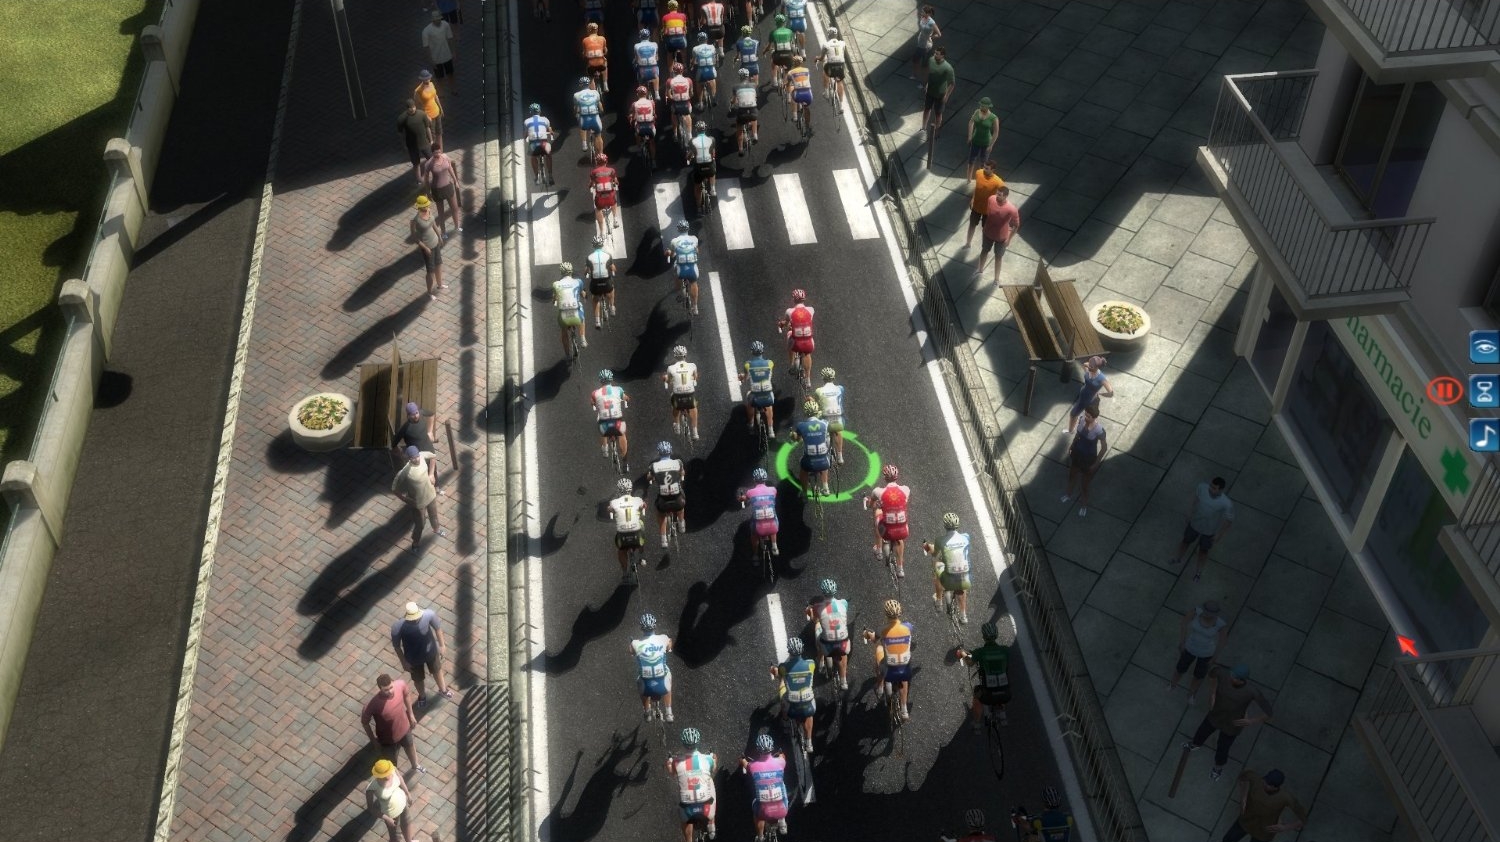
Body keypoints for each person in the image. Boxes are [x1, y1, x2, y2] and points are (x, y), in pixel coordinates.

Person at [1183, 663, 1273, 780]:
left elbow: (1269, 712)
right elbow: (1212, 674)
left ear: (1241, 680)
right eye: (1231, 674)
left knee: (1223, 748)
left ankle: (1218, 768)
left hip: (1232, 724)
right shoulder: (1223, 674)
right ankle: (1195, 744)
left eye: (1234, 677)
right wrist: (1213, 692)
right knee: (1201, 732)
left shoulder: (1252, 691)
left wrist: (1252, 721)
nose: (1231, 677)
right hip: (1216, 713)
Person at [1169, 477, 1235, 584]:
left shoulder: (1226, 503)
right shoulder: (1202, 487)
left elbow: (1229, 521)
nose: (1210, 489)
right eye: (1211, 486)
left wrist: (1219, 535)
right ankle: (1177, 558)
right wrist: (1190, 512)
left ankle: (1198, 573)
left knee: (1203, 551)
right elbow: (1195, 499)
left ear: (1221, 490)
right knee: (1185, 541)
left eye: (1214, 488)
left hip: (1209, 531)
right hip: (1194, 524)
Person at [390, 601, 454, 707]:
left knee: (437, 670)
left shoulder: (429, 614)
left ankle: (443, 690)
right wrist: (404, 662)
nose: (415, 619)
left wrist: (442, 645)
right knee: (418, 679)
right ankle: (422, 696)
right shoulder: (397, 627)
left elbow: (438, 629)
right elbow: (397, 647)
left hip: (431, 652)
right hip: (413, 658)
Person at [361, 674, 425, 775]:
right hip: (387, 739)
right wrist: (374, 741)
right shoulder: (372, 705)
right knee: (391, 763)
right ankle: (395, 778)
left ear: (393, 682)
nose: (390, 691)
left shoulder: (400, 685)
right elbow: (365, 723)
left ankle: (415, 765)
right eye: (386, 690)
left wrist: (411, 714)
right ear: (380, 689)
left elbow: (406, 695)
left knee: (410, 746)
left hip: (404, 728)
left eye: (391, 687)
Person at [862, 599, 913, 720]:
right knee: (904, 680)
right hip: (905, 667)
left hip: (889, 667)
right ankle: (904, 709)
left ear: (886, 614)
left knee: (879, 650)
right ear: (900, 612)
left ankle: (880, 686)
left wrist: (866, 633)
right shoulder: (908, 627)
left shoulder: (882, 629)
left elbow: (874, 639)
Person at [955, 618, 1010, 729]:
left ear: (984, 637)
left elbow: (970, 662)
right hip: (1007, 694)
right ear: (997, 635)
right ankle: (1002, 713)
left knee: (977, 695)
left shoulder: (981, 652)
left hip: (987, 695)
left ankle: (976, 722)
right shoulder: (1005, 650)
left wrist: (962, 653)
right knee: (1002, 686)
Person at [666, 728, 719, 842]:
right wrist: (714, 758)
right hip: (706, 807)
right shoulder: (707, 759)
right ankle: (712, 826)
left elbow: (672, 772)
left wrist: (669, 762)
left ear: (683, 744)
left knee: (685, 819)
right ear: (698, 743)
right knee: (710, 781)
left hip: (687, 809)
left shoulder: (676, 762)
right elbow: (713, 768)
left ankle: (688, 840)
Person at [1225, 769, 1306, 842]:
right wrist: (1244, 795)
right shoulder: (1257, 780)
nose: (1263, 783)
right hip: (1246, 820)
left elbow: (1303, 817)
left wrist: (1285, 827)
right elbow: (1243, 776)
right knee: (1227, 840)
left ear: (1274, 787)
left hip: (1264, 832)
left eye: (1267, 784)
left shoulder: (1285, 797)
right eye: (1265, 780)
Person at [1170, 600, 1228, 700]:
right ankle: (1172, 685)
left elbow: (1222, 642)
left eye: (1209, 613)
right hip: (1190, 647)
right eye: (1205, 611)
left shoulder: (1220, 624)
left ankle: (1191, 694)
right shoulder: (1196, 612)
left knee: (1199, 675)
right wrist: (1182, 642)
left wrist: (1214, 658)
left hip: (1206, 653)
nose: (1206, 614)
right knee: (1180, 669)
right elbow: (1183, 623)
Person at [392, 446, 446, 549]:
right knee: (420, 524)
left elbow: (433, 456)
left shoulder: (422, 455)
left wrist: (431, 474)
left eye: (417, 456)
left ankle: (436, 529)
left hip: (430, 494)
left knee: (434, 515)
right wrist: (405, 499)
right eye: (413, 458)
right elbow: (394, 488)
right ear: (409, 458)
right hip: (418, 502)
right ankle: (415, 542)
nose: (417, 459)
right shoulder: (406, 471)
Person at [924, 511, 972, 624]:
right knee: (962, 588)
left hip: (949, 579)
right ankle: (963, 615)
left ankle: (939, 601)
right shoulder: (966, 537)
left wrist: (927, 546)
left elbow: (935, 553)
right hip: (966, 579)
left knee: (937, 565)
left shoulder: (940, 540)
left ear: (944, 525)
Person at [739, 733, 789, 841]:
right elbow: (783, 757)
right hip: (783, 810)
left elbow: (745, 764)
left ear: (758, 749)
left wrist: (742, 759)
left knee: (757, 808)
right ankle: (782, 821)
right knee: (782, 785)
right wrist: (781, 754)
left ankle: (760, 836)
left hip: (763, 813)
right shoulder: (781, 762)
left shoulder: (753, 766)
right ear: (772, 748)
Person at [770, 638, 816, 752]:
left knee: (782, 691)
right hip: (807, 702)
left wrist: (773, 669)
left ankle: (785, 722)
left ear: (789, 651)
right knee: (809, 715)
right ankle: (809, 742)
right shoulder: (811, 664)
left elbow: (779, 674)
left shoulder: (783, 667)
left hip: (792, 704)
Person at [1060, 406, 1106, 517]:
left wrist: (1096, 463)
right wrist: (1072, 445)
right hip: (1077, 454)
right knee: (1072, 476)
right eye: (1086, 414)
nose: (1086, 417)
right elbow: (1078, 435)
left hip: (1088, 459)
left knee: (1084, 485)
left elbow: (1104, 448)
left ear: (1094, 417)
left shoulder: (1099, 430)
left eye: (1088, 416)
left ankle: (1084, 506)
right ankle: (1068, 494)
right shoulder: (1081, 420)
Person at [806, 578, 850, 690]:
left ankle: (821, 662)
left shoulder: (817, 607)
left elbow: (814, 619)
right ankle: (844, 681)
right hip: (843, 643)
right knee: (844, 654)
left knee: (818, 628)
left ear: (823, 592)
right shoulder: (844, 603)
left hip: (827, 645)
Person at [867, 464, 911, 577]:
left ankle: (879, 549)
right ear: (897, 477)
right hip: (903, 530)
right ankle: (900, 568)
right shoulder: (906, 489)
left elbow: (871, 505)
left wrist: (873, 504)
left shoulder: (878, 492)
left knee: (877, 513)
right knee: (899, 539)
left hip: (887, 531)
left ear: (884, 478)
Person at [631, 613, 675, 720]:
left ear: (641, 628)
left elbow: (631, 651)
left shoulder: (635, 643)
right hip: (663, 685)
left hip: (646, 687)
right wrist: (667, 649)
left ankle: (647, 713)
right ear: (655, 626)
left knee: (639, 680)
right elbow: (670, 645)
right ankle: (669, 713)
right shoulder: (663, 638)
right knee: (668, 674)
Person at [788, 399, 832, 497]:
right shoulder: (825, 423)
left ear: (805, 412)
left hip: (809, 462)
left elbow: (797, 439)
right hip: (824, 461)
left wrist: (792, 435)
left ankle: (804, 492)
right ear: (817, 411)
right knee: (825, 458)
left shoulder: (801, 425)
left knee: (803, 470)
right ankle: (826, 488)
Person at [977, 184, 1020, 282]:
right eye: (997, 193)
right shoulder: (991, 199)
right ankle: (979, 270)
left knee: (998, 257)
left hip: (1001, 237)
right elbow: (988, 212)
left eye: (1000, 195)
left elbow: (1016, 225)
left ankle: (996, 279)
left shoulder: (1011, 209)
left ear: (1005, 196)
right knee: (984, 251)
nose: (997, 196)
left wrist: (1009, 239)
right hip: (988, 233)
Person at [648, 441, 687, 548]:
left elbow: (649, 478)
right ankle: (681, 523)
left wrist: (653, 478)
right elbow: (682, 473)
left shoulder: (654, 466)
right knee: (681, 502)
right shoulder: (678, 462)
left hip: (663, 501)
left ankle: (663, 539)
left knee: (661, 514)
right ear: (670, 451)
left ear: (659, 452)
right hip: (677, 500)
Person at [393, 401, 440, 490]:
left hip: (428, 448)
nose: (415, 416)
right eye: (412, 414)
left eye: (416, 413)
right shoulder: (405, 428)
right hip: (416, 454)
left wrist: (430, 432)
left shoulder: (421, 413)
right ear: (408, 415)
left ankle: (436, 488)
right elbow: (394, 444)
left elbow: (431, 414)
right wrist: (401, 454)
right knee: (419, 474)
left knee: (433, 470)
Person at [366, 759, 415, 842]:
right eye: (384, 775)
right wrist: (387, 819)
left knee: (406, 821)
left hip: (403, 803)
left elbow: (400, 779)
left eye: (388, 773)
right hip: (391, 814)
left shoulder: (393, 770)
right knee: (395, 837)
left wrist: (407, 793)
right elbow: (371, 808)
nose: (388, 776)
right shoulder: (372, 787)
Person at [592, 369, 631, 470]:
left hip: (604, 423)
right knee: (622, 435)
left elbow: (593, 402)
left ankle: (605, 449)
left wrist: (595, 404)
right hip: (617, 421)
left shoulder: (595, 393)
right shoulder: (618, 389)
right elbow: (626, 398)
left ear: (600, 381)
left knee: (601, 425)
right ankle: (625, 462)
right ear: (611, 379)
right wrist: (627, 400)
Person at [609, 477, 648, 578]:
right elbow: (643, 506)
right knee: (641, 526)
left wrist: (610, 510)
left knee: (621, 551)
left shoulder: (614, 502)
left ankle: (624, 572)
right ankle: (642, 556)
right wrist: (643, 507)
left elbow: (610, 509)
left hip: (622, 535)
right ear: (631, 489)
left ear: (619, 490)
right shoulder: (638, 500)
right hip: (636, 533)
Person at [1064, 355, 1113, 436]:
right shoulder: (1089, 369)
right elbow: (1084, 364)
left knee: (1074, 414)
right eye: (1089, 365)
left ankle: (1072, 430)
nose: (1089, 367)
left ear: (1097, 367)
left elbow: (1111, 393)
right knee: (1086, 415)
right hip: (1083, 395)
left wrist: (1100, 394)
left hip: (1089, 399)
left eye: (1091, 367)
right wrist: (1087, 367)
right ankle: (1073, 430)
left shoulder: (1102, 378)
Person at [422, 141, 461, 237]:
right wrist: (428, 192)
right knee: (441, 213)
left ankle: (457, 227)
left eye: (439, 152)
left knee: (455, 208)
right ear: (432, 153)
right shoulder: (429, 164)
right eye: (436, 153)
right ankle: (443, 232)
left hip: (448, 186)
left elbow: (450, 168)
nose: (438, 154)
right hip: (437, 190)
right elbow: (426, 180)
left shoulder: (445, 157)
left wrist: (455, 181)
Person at [918, 46, 955, 146]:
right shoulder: (931, 60)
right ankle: (923, 127)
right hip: (930, 92)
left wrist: (946, 96)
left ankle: (936, 132)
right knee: (926, 109)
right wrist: (926, 84)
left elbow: (952, 84)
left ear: (942, 55)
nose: (935, 55)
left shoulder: (948, 68)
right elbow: (928, 73)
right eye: (935, 53)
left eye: (937, 54)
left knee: (938, 114)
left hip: (940, 95)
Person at [777, 289, 815, 385]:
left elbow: (786, 323)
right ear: (804, 299)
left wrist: (781, 324)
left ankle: (791, 364)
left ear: (794, 299)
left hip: (796, 343)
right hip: (809, 343)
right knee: (807, 353)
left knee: (789, 334)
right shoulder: (811, 310)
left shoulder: (789, 311)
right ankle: (808, 379)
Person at [663, 345, 701, 440]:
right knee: (694, 407)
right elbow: (695, 377)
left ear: (675, 356)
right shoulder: (693, 365)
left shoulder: (670, 368)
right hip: (689, 393)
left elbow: (669, 381)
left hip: (678, 394)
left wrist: (666, 379)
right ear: (685, 355)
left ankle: (677, 426)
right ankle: (695, 432)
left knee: (674, 404)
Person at [410, 195, 446, 298]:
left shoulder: (429, 212)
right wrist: (425, 248)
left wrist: (439, 236)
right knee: (430, 271)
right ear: (419, 207)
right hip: (427, 247)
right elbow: (414, 237)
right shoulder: (415, 220)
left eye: (427, 205)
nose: (427, 207)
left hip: (435, 242)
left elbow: (434, 225)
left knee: (439, 264)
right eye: (424, 206)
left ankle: (440, 285)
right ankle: (429, 292)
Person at [739, 467, 780, 557]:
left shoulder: (750, 492)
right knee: (773, 517)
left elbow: (744, 499)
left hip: (758, 528)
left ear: (754, 480)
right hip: (773, 527)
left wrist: (741, 499)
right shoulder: (773, 490)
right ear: (765, 479)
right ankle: (774, 546)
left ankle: (755, 554)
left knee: (754, 535)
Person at [666, 219, 702, 315]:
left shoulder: (674, 241)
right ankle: (695, 307)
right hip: (692, 269)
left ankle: (680, 293)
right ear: (688, 229)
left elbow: (671, 254)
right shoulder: (694, 239)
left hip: (681, 269)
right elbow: (697, 251)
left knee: (677, 274)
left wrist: (669, 254)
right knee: (693, 283)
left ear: (678, 229)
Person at [964, 160, 1003, 249]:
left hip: (988, 211)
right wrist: (973, 198)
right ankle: (968, 243)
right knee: (972, 225)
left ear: (993, 170)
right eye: (984, 167)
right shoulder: (979, 173)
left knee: (985, 230)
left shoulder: (998, 182)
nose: (984, 169)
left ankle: (984, 248)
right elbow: (977, 187)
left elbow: (1001, 197)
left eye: (987, 168)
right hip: (976, 207)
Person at [396, 98, 435, 185]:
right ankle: (419, 179)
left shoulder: (422, 114)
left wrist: (431, 140)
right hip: (412, 145)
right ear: (407, 108)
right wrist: (404, 144)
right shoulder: (402, 119)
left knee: (431, 159)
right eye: (410, 107)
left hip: (424, 142)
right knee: (416, 163)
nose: (413, 109)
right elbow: (400, 134)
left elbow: (427, 127)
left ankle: (435, 174)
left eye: (414, 106)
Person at [552, 261, 587, 357]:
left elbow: (555, 298)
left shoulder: (556, 284)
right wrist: (584, 296)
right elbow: (583, 293)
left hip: (563, 317)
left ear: (561, 272)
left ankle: (567, 355)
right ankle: (583, 338)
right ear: (571, 271)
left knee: (564, 332)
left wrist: (554, 301)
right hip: (576, 314)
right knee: (582, 315)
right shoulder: (578, 281)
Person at [740, 341, 775, 433]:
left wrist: (742, 377)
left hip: (755, 396)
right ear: (762, 351)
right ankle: (771, 429)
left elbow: (746, 377)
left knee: (748, 397)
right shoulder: (770, 363)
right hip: (768, 395)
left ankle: (751, 424)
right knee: (769, 405)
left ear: (752, 352)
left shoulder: (747, 364)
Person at [813, 368, 846, 464]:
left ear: (823, 378)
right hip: (838, 418)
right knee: (838, 431)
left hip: (826, 419)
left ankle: (824, 451)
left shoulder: (819, 391)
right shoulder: (840, 388)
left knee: (820, 426)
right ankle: (840, 456)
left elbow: (816, 404)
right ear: (833, 378)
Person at [583, 234, 617, 329]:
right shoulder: (608, 255)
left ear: (593, 245)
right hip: (606, 281)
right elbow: (613, 268)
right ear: (602, 245)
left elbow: (587, 271)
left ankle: (597, 321)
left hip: (595, 283)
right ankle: (612, 307)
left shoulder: (589, 257)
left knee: (595, 298)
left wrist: (586, 273)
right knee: (611, 289)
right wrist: (613, 271)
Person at [422, 10, 458, 97]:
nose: (438, 21)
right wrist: (431, 60)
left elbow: (450, 38)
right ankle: (441, 93)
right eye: (436, 19)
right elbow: (426, 47)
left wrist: (453, 52)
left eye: (439, 19)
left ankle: (453, 89)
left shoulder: (445, 25)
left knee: (450, 74)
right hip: (436, 58)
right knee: (439, 77)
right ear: (433, 20)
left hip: (447, 55)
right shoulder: (426, 31)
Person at [964, 97, 1000, 182]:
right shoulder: (977, 112)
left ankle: (981, 180)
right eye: (981, 105)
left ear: (988, 107)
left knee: (983, 164)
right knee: (971, 161)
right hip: (975, 140)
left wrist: (991, 145)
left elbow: (996, 132)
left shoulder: (993, 118)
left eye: (983, 106)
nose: (981, 107)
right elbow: (971, 122)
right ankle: (968, 179)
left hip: (986, 143)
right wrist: (970, 136)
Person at [816, 27, 847, 114]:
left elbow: (821, 58)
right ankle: (841, 105)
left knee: (825, 71)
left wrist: (816, 58)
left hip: (831, 66)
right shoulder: (842, 43)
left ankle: (826, 92)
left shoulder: (826, 44)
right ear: (836, 35)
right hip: (840, 66)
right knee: (839, 82)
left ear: (828, 35)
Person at [729, 67, 760, 154]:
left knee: (739, 127)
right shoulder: (754, 85)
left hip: (742, 111)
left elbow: (734, 101)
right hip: (752, 110)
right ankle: (755, 135)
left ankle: (740, 149)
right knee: (754, 118)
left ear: (740, 77)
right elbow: (755, 97)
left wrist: (732, 103)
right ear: (748, 76)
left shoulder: (735, 87)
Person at [590, 152, 621, 239]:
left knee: (598, 210)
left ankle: (602, 232)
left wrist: (590, 186)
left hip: (600, 199)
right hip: (610, 197)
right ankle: (615, 219)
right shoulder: (611, 170)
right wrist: (616, 183)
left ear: (597, 162)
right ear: (606, 161)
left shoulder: (593, 172)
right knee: (614, 201)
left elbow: (591, 184)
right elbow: (616, 181)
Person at [524, 102, 555, 186]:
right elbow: (550, 130)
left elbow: (526, 134)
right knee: (549, 155)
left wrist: (525, 137)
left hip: (533, 145)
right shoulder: (545, 119)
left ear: (530, 112)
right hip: (543, 143)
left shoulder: (526, 121)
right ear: (540, 111)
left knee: (533, 157)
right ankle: (550, 175)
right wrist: (551, 132)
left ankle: (537, 177)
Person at [574, 76, 605, 157]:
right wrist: (601, 112)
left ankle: (584, 143)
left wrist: (576, 114)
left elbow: (576, 108)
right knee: (598, 135)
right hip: (595, 118)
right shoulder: (595, 92)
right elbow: (601, 107)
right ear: (589, 85)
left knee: (579, 118)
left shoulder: (576, 95)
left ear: (580, 85)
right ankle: (601, 156)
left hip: (584, 120)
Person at [784, 53, 814, 135]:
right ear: (801, 63)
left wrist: (785, 85)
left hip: (798, 95)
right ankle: (807, 126)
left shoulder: (790, 72)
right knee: (807, 108)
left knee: (793, 92)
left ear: (793, 63)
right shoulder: (807, 70)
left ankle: (795, 115)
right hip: (808, 94)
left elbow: (788, 83)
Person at [666, 62, 696, 143]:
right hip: (686, 104)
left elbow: (668, 95)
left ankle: (675, 134)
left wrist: (673, 98)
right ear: (682, 71)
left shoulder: (669, 81)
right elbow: (691, 94)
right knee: (688, 115)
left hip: (676, 105)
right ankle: (689, 135)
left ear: (673, 71)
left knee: (673, 114)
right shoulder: (689, 80)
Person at [630, 86, 660, 166]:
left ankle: (639, 148)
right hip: (650, 127)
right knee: (652, 142)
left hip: (640, 128)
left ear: (637, 94)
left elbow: (633, 116)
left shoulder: (634, 104)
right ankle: (654, 161)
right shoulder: (652, 102)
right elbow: (654, 114)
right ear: (646, 94)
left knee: (636, 133)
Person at [912, 5, 941, 84]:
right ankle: (915, 75)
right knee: (915, 60)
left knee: (924, 66)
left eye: (923, 12)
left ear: (928, 14)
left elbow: (939, 34)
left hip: (926, 46)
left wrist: (931, 37)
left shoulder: (932, 23)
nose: (921, 13)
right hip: (920, 43)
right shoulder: (922, 18)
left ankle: (924, 83)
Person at [688, 121, 717, 201]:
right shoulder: (712, 139)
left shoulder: (692, 141)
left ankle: (699, 206)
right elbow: (713, 154)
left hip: (699, 167)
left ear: (696, 130)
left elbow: (690, 155)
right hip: (709, 166)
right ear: (705, 129)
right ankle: (713, 189)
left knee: (697, 187)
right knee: (713, 164)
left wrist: (688, 158)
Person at [763, 15, 795, 87]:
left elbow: (769, 47)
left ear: (776, 23)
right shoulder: (790, 31)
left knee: (773, 62)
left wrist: (764, 51)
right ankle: (786, 83)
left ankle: (775, 81)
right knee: (788, 69)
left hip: (778, 56)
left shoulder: (773, 32)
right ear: (784, 22)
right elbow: (791, 45)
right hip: (788, 56)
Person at [415, 68, 444, 145]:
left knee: (439, 132)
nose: (428, 79)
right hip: (429, 115)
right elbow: (418, 106)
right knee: (432, 135)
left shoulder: (431, 84)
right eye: (426, 78)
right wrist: (426, 116)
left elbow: (436, 97)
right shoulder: (418, 91)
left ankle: (441, 149)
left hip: (436, 111)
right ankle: (434, 151)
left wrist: (441, 108)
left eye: (429, 78)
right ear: (422, 79)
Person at [634, 29, 664, 100]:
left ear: (640, 37)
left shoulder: (636, 46)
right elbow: (657, 57)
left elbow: (636, 58)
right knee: (656, 76)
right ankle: (657, 94)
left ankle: (641, 94)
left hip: (642, 69)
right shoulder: (655, 44)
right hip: (653, 68)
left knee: (639, 77)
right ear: (649, 36)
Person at [691, 32, 718, 108]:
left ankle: (700, 103)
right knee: (713, 79)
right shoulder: (712, 47)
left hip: (701, 71)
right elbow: (714, 60)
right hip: (711, 69)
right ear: (706, 39)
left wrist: (692, 65)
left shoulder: (695, 48)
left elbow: (694, 61)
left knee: (698, 83)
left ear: (698, 40)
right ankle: (714, 97)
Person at [581, 22, 609, 92]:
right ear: (597, 30)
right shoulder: (602, 38)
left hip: (591, 66)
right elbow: (605, 51)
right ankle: (605, 83)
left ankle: (593, 92)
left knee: (591, 77)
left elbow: (584, 54)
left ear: (588, 30)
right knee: (605, 61)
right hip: (601, 65)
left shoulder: (585, 40)